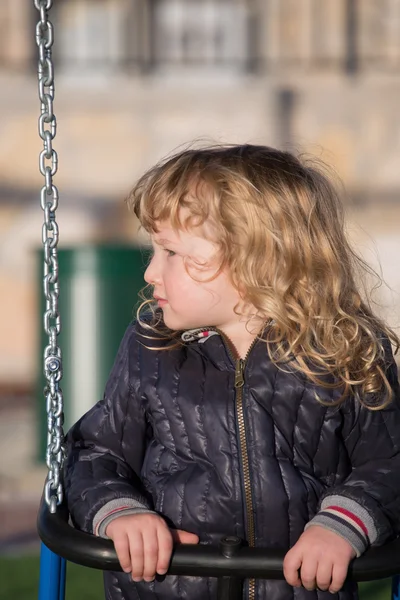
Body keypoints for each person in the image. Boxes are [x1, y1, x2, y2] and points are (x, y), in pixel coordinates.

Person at [65, 144, 400, 600]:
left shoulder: (344, 352)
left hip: (299, 588)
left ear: (258, 260)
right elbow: (95, 451)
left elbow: (388, 461)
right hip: (172, 587)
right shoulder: (152, 347)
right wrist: (120, 512)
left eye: (172, 253)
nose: (150, 272)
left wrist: (343, 523)